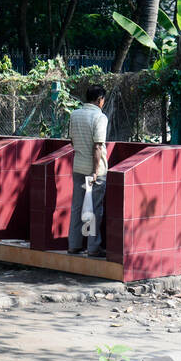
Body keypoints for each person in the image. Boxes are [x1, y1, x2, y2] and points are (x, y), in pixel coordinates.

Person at [67, 83, 108, 257]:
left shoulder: (74, 115)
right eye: (103, 100)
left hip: (78, 168)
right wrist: (95, 171)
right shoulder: (100, 117)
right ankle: (93, 247)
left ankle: (74, 245)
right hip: (95, 172)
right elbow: (98, 146)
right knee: (94, 209)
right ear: (99, 100)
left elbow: (72, 141)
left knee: (77, 207)